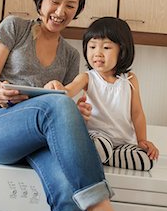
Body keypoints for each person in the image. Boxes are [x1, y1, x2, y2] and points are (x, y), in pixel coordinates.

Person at [0, 0, 134, 211]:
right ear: (41, 1)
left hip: (41, 143)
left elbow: (63, 113)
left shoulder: (71, 56)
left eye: (70, 5)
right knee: (55, 104)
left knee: (70, 192)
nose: (61, 11)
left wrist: (78, 113)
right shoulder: (15, 27)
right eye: (55, 2)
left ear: (77, 10)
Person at [46, 17, 159, 171]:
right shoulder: (88, 77)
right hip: (96, 136)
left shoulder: (130, 79)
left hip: (123, 142)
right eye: (92, 47)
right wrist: (56, 86)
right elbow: (69, 90)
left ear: (122, 50)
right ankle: (102, 154)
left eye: (106, 48)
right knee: (99, 145)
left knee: (147, 160)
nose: (97, 53)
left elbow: (137, 113)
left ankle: (106, 157)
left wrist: (142, 140)